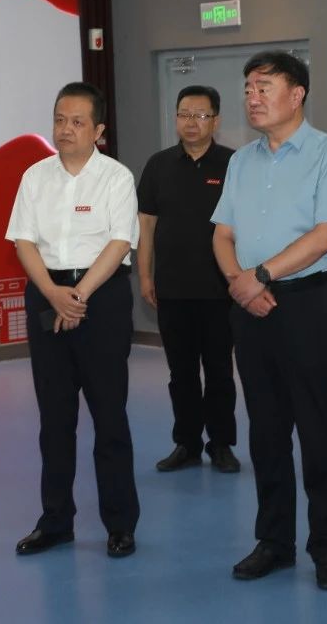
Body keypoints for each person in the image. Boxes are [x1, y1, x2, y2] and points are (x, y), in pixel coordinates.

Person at [211, 51, 327, 591]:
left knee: (316, 428)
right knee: (266, 429)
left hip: (306, 304)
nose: (253, 97)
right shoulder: (241, 162)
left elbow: (325, 235)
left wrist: (260, 276)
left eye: (264, 87)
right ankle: (274, 542)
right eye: (249, 88)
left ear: (297, 95)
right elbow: (223, 233)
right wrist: (240, 283)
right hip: (250, 306)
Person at [5, 81, 140, 559]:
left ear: (98, 130)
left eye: (77, 122)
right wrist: (52, 293)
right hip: (48, 295)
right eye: (60, 120)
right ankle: (56, 521)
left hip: (100, 298)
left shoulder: (116, 177)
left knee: (109, 416)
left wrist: (77, 296)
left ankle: (120, 524)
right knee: (54, 419)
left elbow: (120, 242)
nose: (65, 129)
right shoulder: (35, 176)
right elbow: (23, 240)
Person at [137, 85, 240, 473]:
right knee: (180, 374)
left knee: (219, 372)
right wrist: (145, 275)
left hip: (221, 290)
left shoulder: (234, 164)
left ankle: (221, 444)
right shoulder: (158, 165)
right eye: (184, 114)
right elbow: (146, 226)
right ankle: (187, 444)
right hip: (172, 289)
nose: (191, 122)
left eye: (200, 115)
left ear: (216, 120)